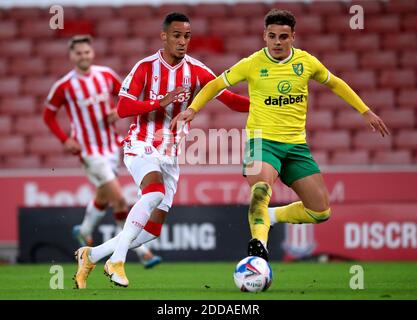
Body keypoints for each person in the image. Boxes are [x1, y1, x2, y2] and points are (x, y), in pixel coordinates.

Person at [172, 9, 390, 262]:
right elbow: (215, 84)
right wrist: (192, 109)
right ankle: (258, 245)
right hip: (262, 143)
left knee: (320, 211)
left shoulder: (306, 62)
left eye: (283, 37)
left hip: (296, 147)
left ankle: (271, 217)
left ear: (292, 37)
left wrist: (365, 111)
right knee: (260, 190)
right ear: (264, 36)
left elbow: (335, 83)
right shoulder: (252, 63)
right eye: (272, 36)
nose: (277, 42)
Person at [73, 12, 250, 288]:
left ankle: (91, 255)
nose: (182, 41)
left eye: (187, 36)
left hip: (169, 155)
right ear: (164, 36)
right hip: (140, 145)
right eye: (177, 35)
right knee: (153, 193)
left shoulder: (198, 71)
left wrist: (267, 104)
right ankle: (116, 261)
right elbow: (122, 108)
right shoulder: (145, 67)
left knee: (151, 232)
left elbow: (231, 100)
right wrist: (159, 102)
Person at [43, 35, 162, 275]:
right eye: (78, 53)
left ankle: (84, 229)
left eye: (87, 52)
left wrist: (117, 112)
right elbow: (48, 115)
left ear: (92, 53)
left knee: (104, 195)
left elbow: (125, 97)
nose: (83, 56)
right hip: (89, 152)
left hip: (111, 147)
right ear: (72, 56)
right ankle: (139, 252)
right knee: (118, 199)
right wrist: (65, 139)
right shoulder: (64, 86)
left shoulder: (106, 75)